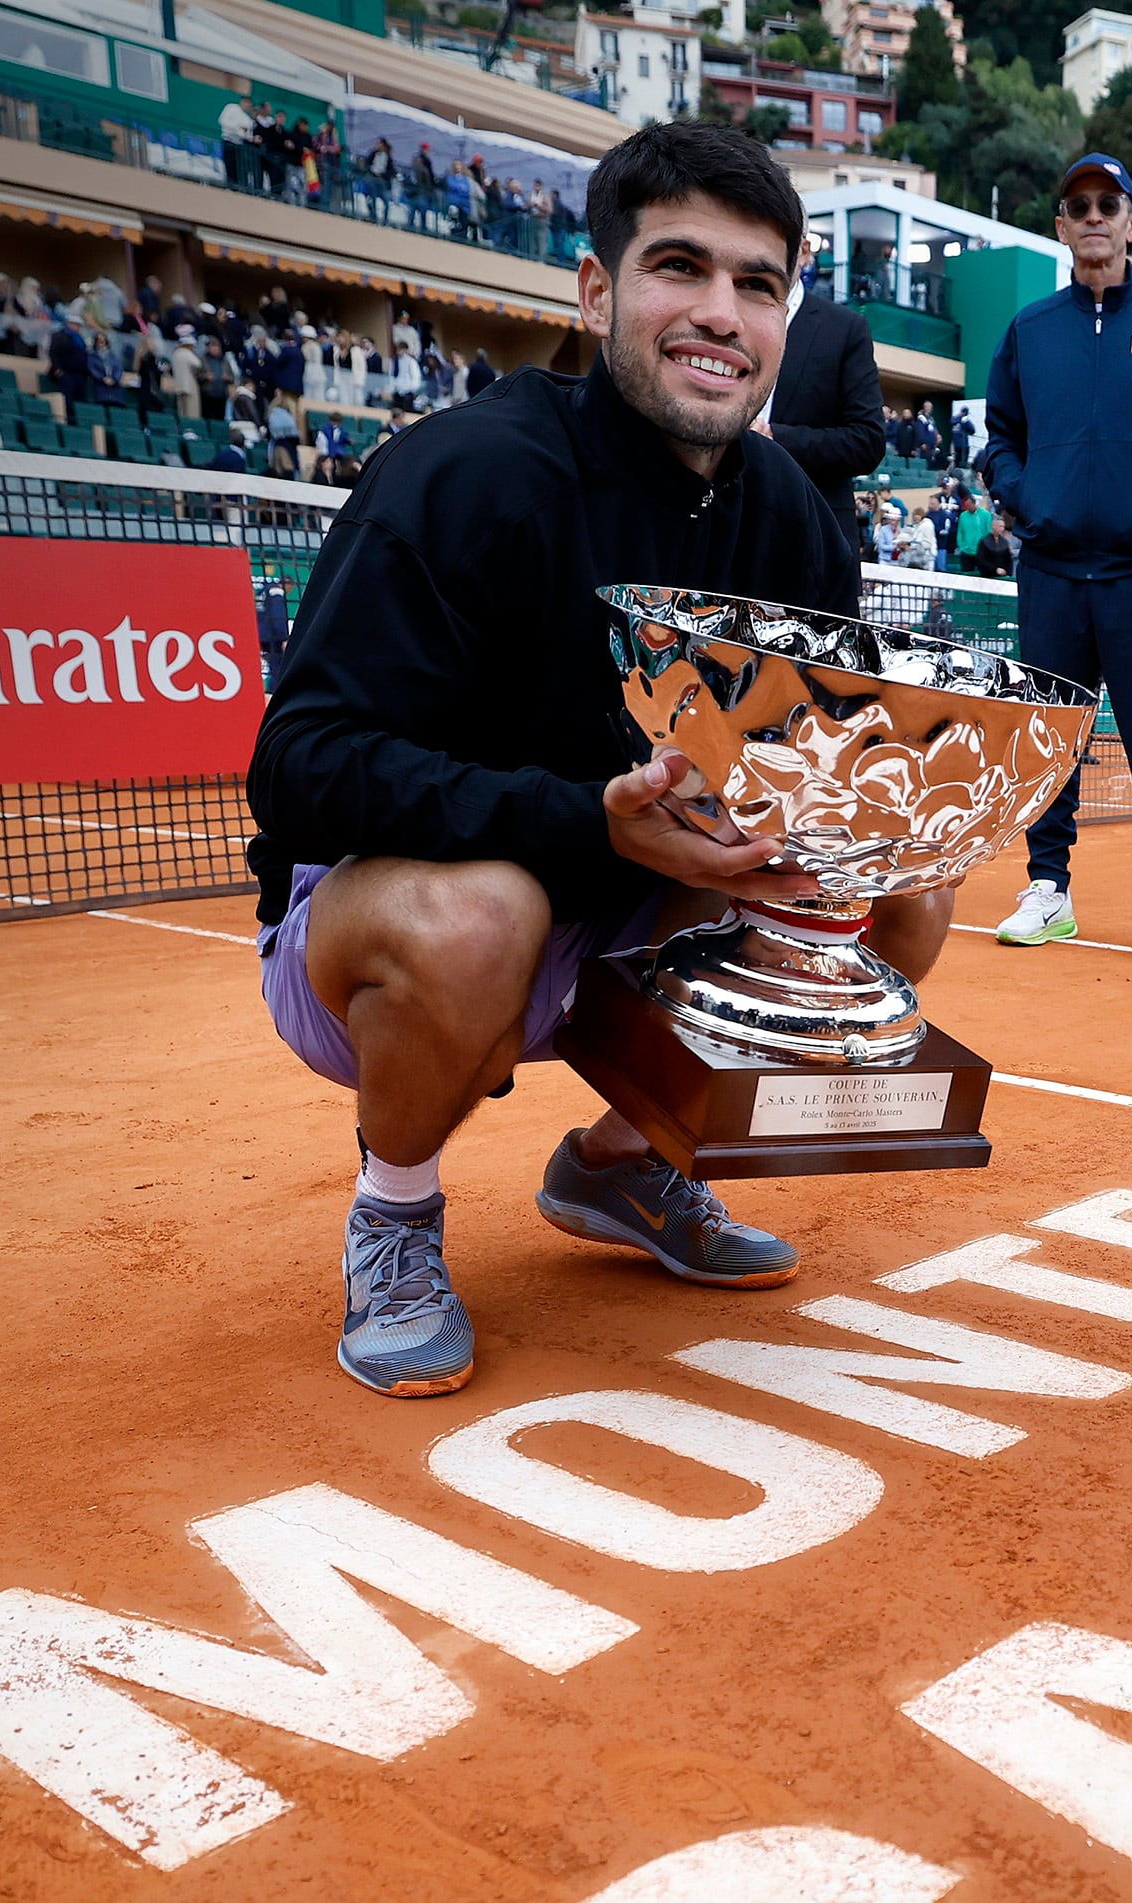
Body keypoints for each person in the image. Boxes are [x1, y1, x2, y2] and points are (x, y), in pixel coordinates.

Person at [245, 123, 927, 1399]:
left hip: (638, 916)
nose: (720, 313)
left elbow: (815, 756)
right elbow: (298, 769)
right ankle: (395, 1214)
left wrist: (873, 806)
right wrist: (582, 820)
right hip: (403, 925)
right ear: (598, 292)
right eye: (681, 267)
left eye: (758, 284)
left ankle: (628, 1160)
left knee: (896, 892)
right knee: (482, 913)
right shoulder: (461, 472)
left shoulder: (793, 516)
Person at [979, 152, 1132, 963]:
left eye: (1108, 203)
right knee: (1048, 739)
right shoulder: (1030, 329)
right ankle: (1048, 888)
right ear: (1062, 227)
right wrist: (1025, 497)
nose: (1093, 216)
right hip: (1049, 571)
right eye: (1078, 206)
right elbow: (999, 437)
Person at [763, 231, 885, 521]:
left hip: (811, 524)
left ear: (804, 252)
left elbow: (867, 442)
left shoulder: (845, 329)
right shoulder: (724, 316)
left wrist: (773, 436)